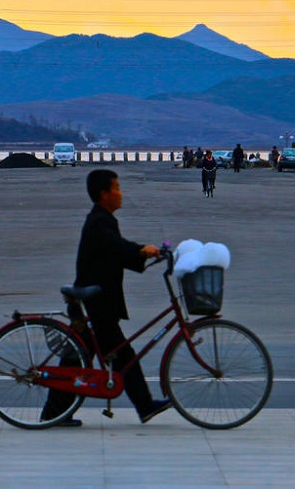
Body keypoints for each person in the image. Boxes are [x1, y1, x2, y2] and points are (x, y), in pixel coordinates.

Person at [57, 169, 171, 426]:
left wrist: (142, 255)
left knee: (91, 355)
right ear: (104, 194)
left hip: (96, 300)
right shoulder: (100, 221)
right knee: (112, 356)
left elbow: (114, 253)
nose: (121, 194)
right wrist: (142, 250)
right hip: (96, 301)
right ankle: (144, 406)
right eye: (117, 188)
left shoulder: (102, 219)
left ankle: (55, 412)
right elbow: (116, 247)